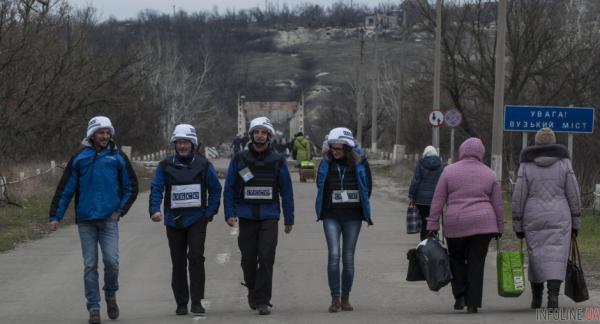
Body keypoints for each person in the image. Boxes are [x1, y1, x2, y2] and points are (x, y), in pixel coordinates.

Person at [48, 116, 138, 324]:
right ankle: (94, 307)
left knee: (111, 262)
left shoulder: (118, 157)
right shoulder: (80, 158)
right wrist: (55, 216)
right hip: (86, 221)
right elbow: (65, 189)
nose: (105, 136)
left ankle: (110, 295)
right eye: (101, 132)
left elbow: (131, 187)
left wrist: (119, 211)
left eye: (107, 132)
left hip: (109, 220)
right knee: (90, 265)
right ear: (92, 135)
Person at [223, 117, 294, 316]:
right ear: (251, 135)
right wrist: (229, 213)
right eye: (256, 132)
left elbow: (286, 190)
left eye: (264, 132)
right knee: (248, 259)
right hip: (246, 215)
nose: (260, 135)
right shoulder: (240, 159)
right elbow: (228, 187)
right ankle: (253, 289)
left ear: (269, 136)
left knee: (266, 257)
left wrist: (289, 218)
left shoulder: (278, 160)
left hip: (269, 215)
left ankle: (263, 300)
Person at [149, 124, 222, 315]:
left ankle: (197, 301)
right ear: (175, 144)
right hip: (174, 221)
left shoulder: (204, 165)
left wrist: (209, 213)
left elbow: (215, 189)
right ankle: (181, 303)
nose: (182, 146)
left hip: (197, 219)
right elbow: (157, 188)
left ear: (193, 144)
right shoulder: (164, 165)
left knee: (196, 258)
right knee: (178, 261)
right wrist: (154, 210)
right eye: (179, 142)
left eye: (186, 142)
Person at [426, 137, 503, 314]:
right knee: (477, 262)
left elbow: (438, 199)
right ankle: (473, 303)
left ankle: (460, 295)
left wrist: (433, 223)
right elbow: (497, 203)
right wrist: (499, 226)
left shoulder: (448, 171)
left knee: (456, 259)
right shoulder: (490, 174)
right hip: (484, 224)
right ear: (481, 153)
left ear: (461, 151)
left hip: (456, 223)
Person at [511, 128, 581, 309]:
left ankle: (536, 298)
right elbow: (573, 193)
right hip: (560, 215)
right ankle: (553, 297)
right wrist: (576, 221)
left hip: (533, 216)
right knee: (557, 255)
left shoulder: (526, 165)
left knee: (536, 255)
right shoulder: (564, 163)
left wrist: (517, 224)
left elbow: (519, 195)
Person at [315, 127, 373, 313]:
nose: (335, 150)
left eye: (339, 146)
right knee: (333, 255)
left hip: (353, 217)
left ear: (347, 147)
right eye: (332, 146)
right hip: (331, 216)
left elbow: (367, 187)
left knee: (348, 258)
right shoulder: (325, 163)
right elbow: (320, 185)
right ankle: (335, 298)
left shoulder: (360, 163)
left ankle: (346, 297)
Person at [408, 146, 444, 240]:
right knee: (434, 219)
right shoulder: (440, 165)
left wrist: (411, 195)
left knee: (424, 220)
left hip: (421, 199)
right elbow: (443, 181)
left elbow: (415, 181)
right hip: (436, 198)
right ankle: (433, 237)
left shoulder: (421, 164)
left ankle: (423, 239)